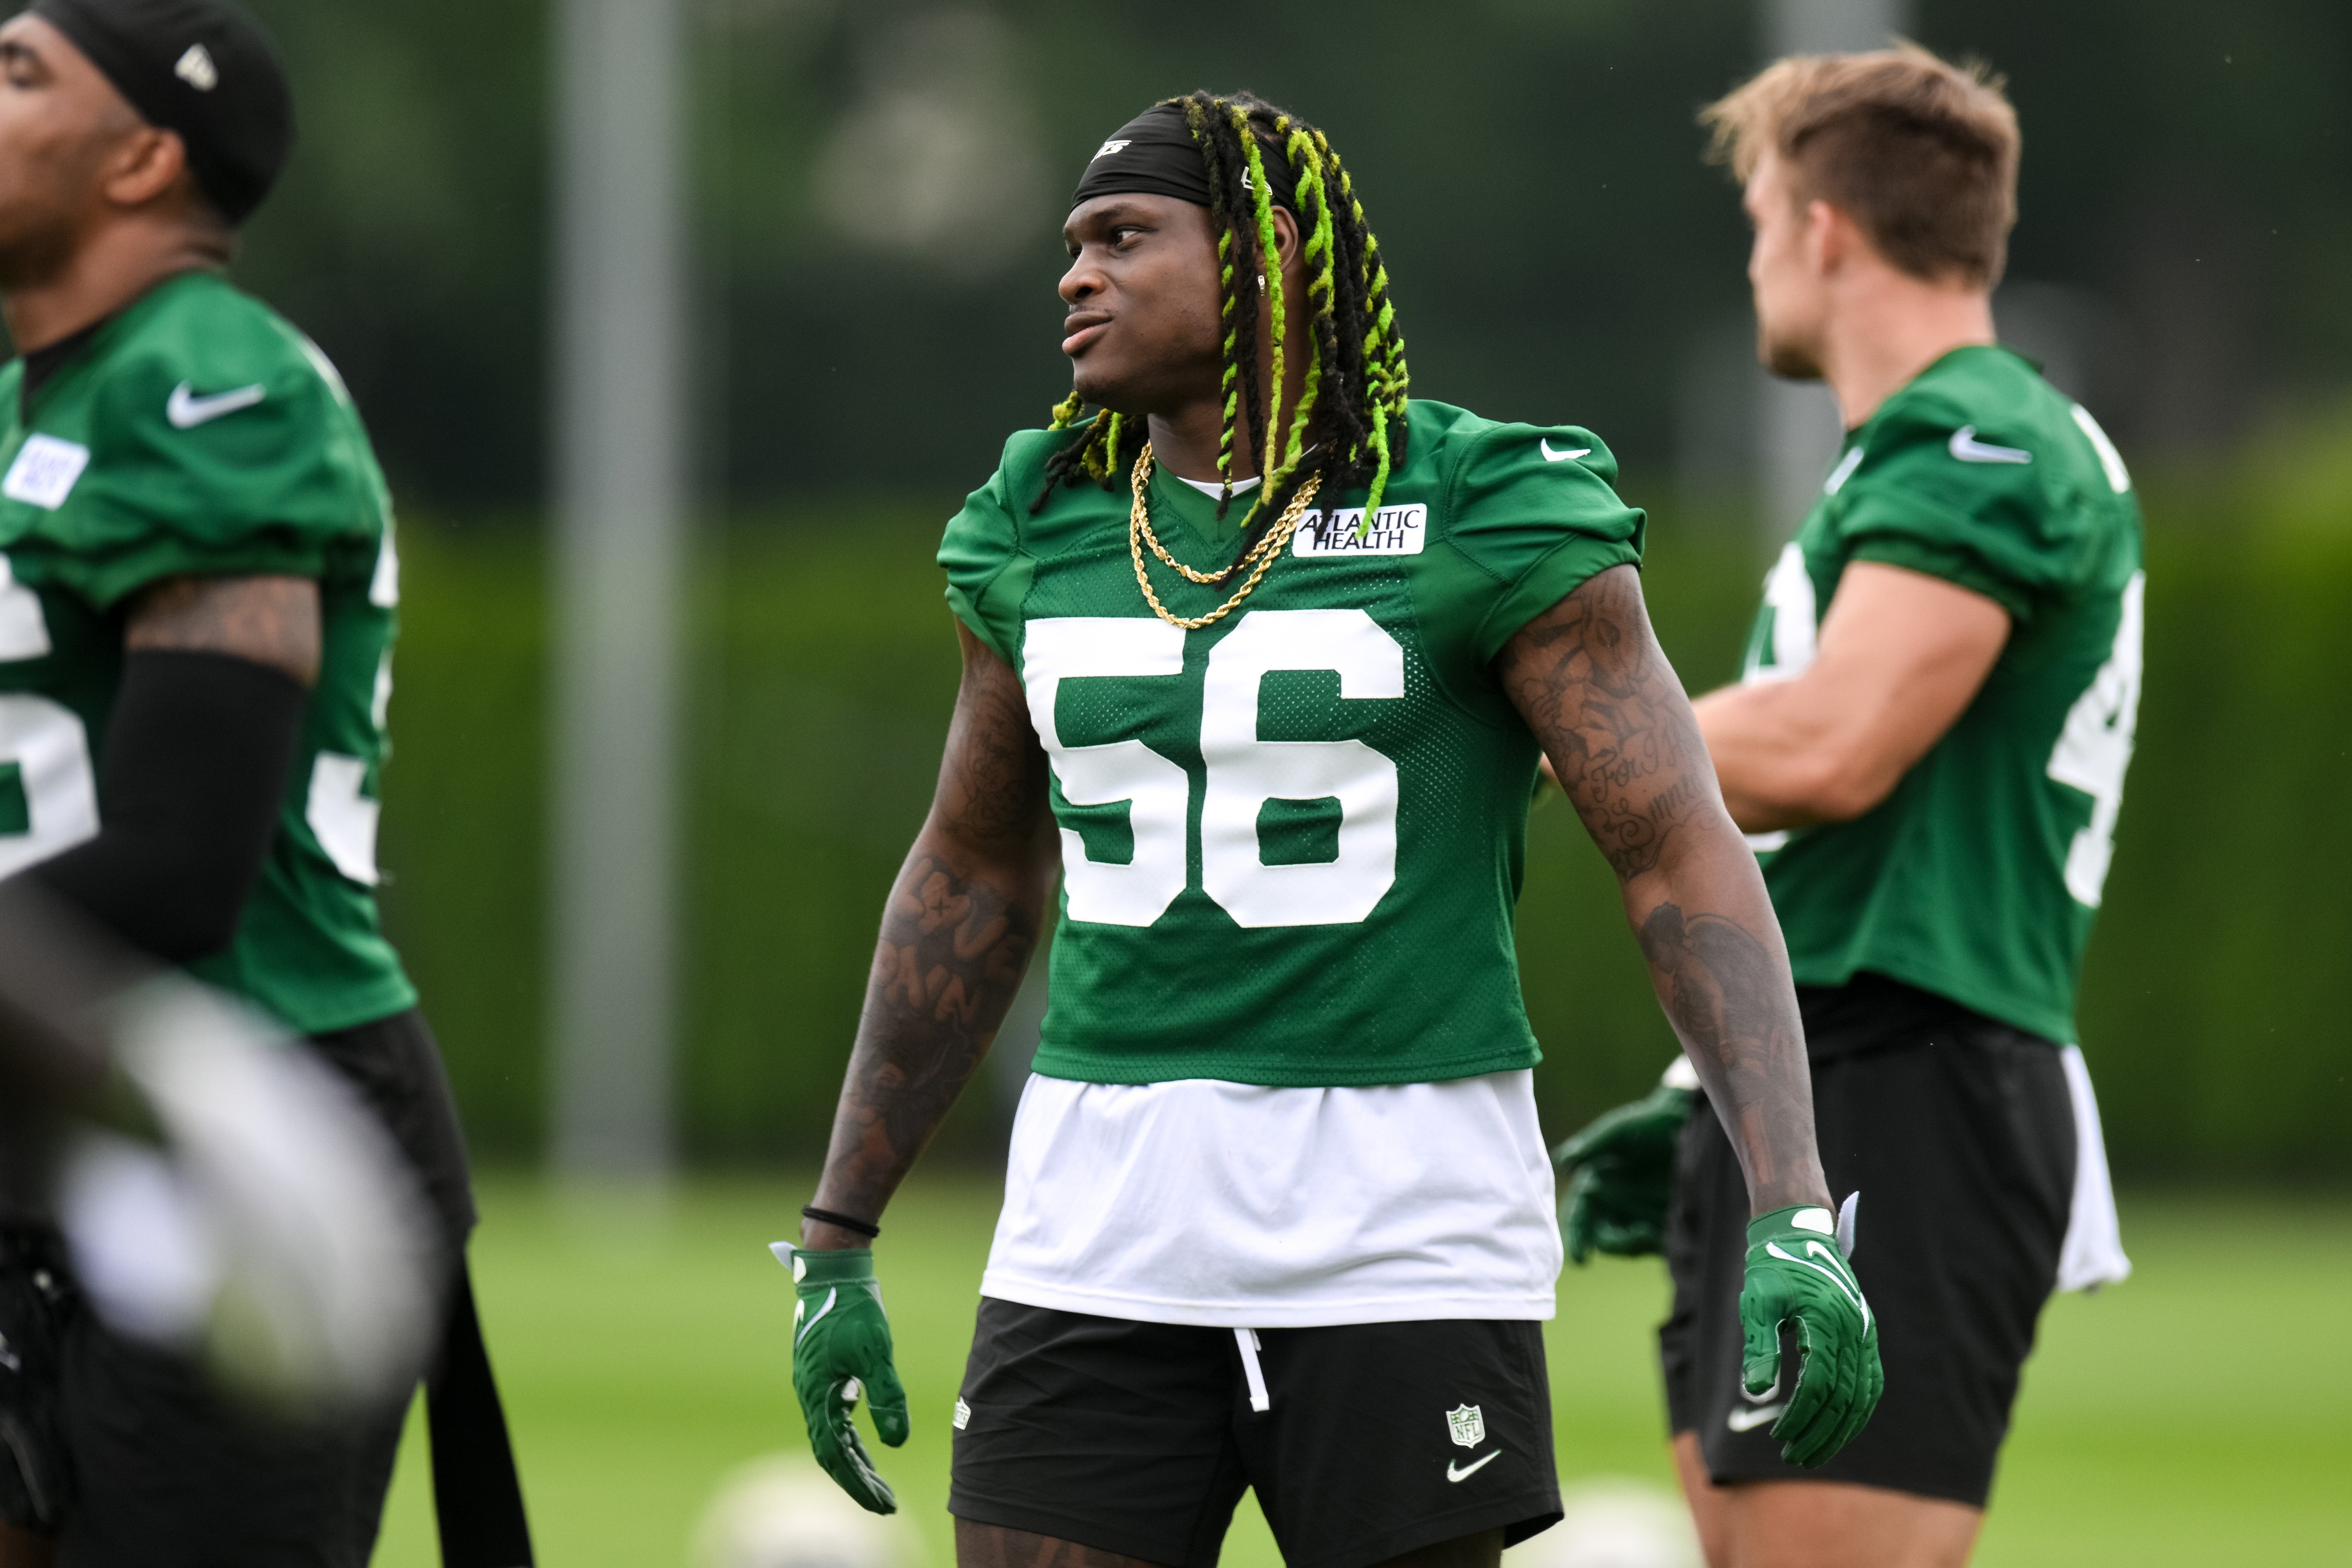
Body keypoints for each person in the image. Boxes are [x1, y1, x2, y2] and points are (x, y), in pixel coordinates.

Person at [782, 90, 1878, 1568]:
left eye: (1123, 237)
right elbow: (972, 874)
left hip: (1399, 1235)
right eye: (1069, 245)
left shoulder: (1480, 502)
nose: (1075, 277)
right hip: (1093, 1234)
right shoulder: (1039, 518)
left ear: (1269, 257)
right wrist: (840, 1232)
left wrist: (1792, 1203)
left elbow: (1677, 852)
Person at [1555, 44, 2140, 1568]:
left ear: (1819, 226)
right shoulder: (1911, 452)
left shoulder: (1980, 441)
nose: (1755, 260)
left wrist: (1541, 728)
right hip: (1815, 1069)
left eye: (1756, 219)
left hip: (1915, 1062)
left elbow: (1828, 745)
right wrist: (1708, 1099)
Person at [0, 3, 528, 1564]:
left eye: (19, 72)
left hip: (234, 1104)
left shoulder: (210, 382)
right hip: (43, 1090)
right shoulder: (28, 399)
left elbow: (178, 861)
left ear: (144, 158)